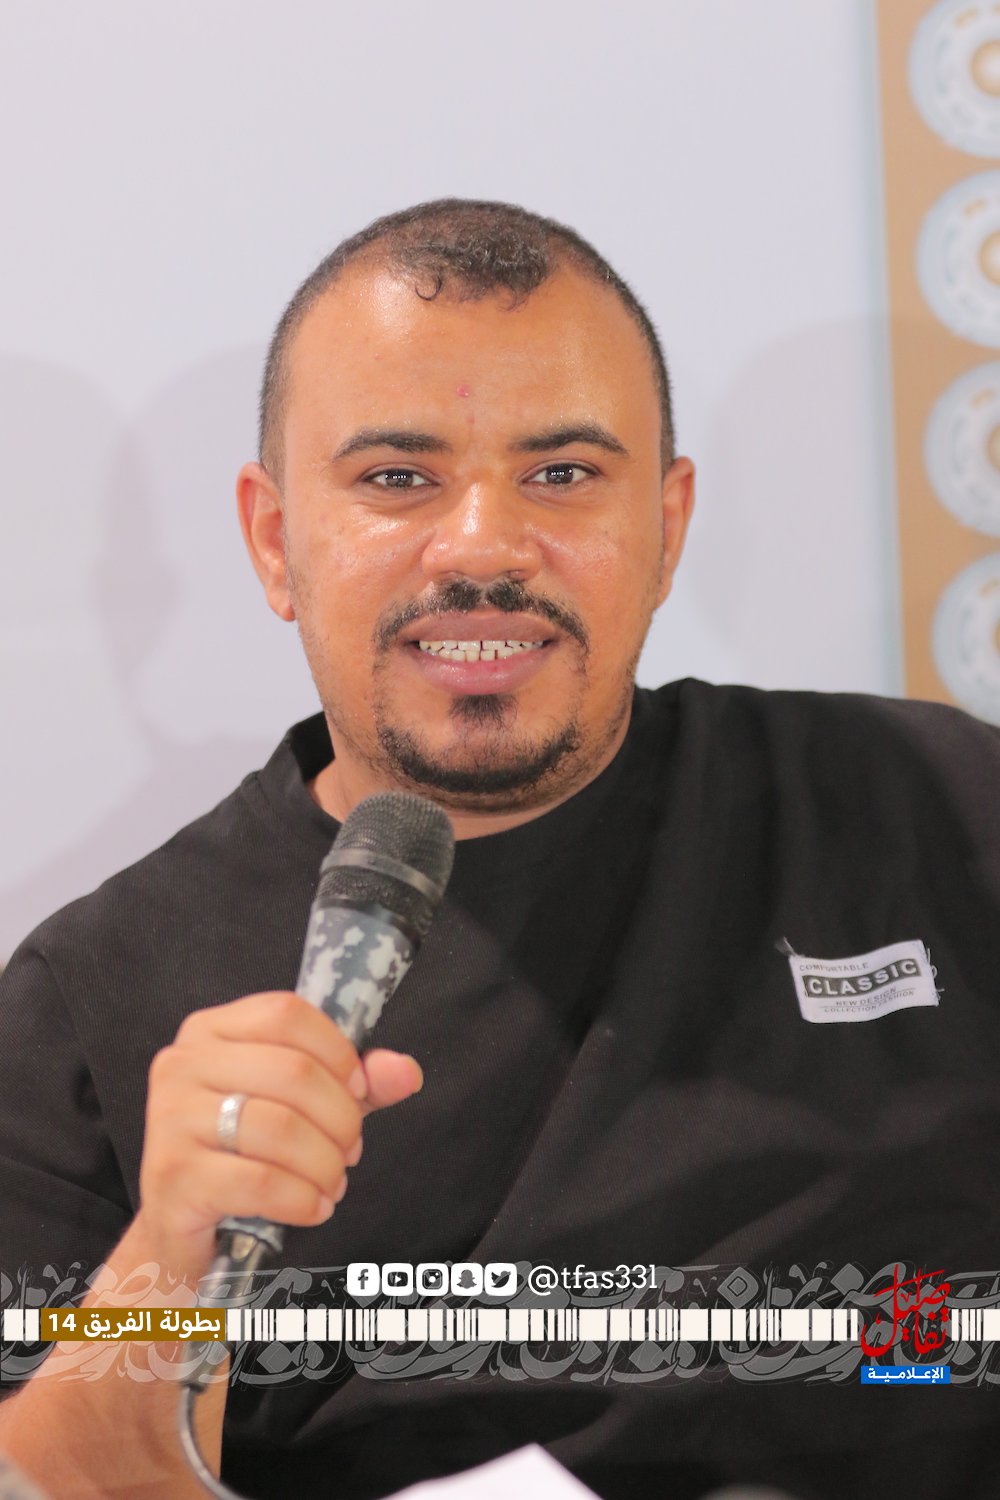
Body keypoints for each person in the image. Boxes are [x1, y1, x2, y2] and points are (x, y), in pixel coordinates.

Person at [2, 198, 1000, 1500]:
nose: (481, 545)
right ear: (274, 540)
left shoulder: (937, 807)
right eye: (397, 478)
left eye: (564, 474)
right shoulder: (94, 1001)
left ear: (668, 527)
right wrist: (168, 1260)